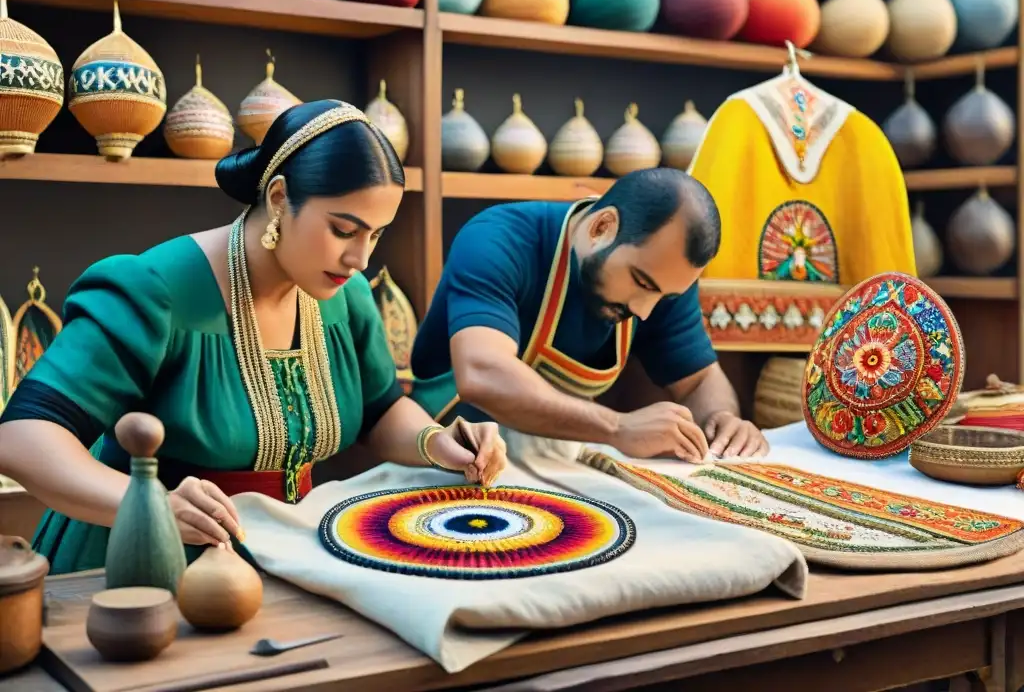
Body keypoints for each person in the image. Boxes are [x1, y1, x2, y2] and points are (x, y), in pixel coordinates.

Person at [0, 100, 507, 575]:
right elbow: (21, 436)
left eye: (375, 234)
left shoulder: (344, 294)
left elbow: (380, 410)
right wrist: (153, 504)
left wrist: (437, 442)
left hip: (285, 553)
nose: (361, 259)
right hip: (141, 559)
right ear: (279, 197)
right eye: (343, 230)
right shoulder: (155, 290)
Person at [410, 167, 768, 463]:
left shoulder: (661, 275)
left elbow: (700, 380)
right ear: (601, 227)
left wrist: (722, 421)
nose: (644, 310)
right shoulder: (498, 239)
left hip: (556, 462)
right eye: (641, 282)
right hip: (448, 459)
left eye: (665, 295)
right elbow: (482, 373)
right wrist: (617, 428)